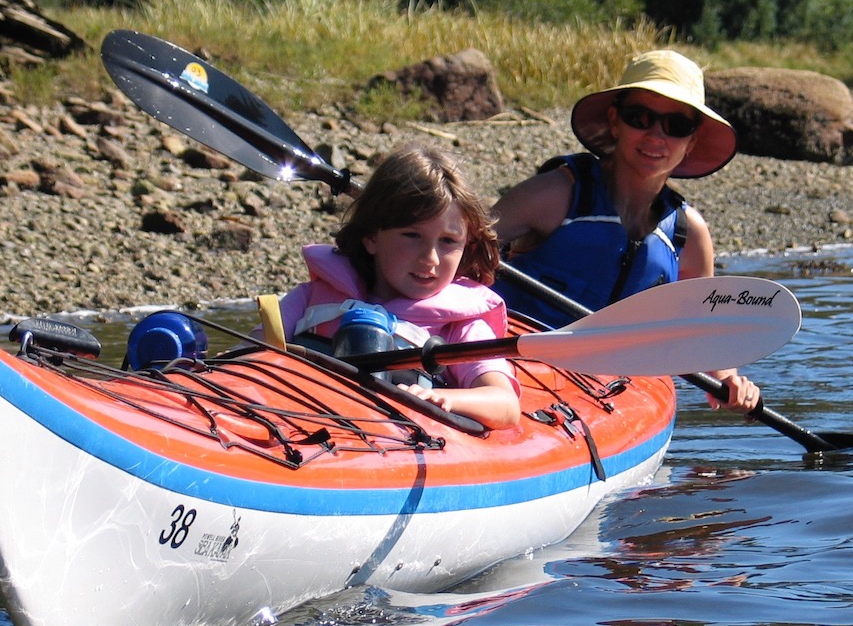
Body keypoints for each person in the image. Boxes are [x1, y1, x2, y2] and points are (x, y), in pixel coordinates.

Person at [490, 49, 761, 414]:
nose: (656, 136)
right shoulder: (555, 194)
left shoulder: (687, 234)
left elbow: (698, 333)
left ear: (691, 141)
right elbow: (454, 251)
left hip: (614, 390)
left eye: (676, 125)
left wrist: (727, 379)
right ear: (616, 122)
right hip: (520, 371)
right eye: (640, 118)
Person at [272, 144, 521, 429]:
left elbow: (505, 404)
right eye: (412, 235)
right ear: (371, 237)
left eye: (448, 241)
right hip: (298, 426)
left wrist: (444, 398)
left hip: (389, 442)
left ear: (466, 245)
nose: (430, 258)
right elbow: (246, 358)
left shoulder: (460, 329)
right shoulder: (308, 299)